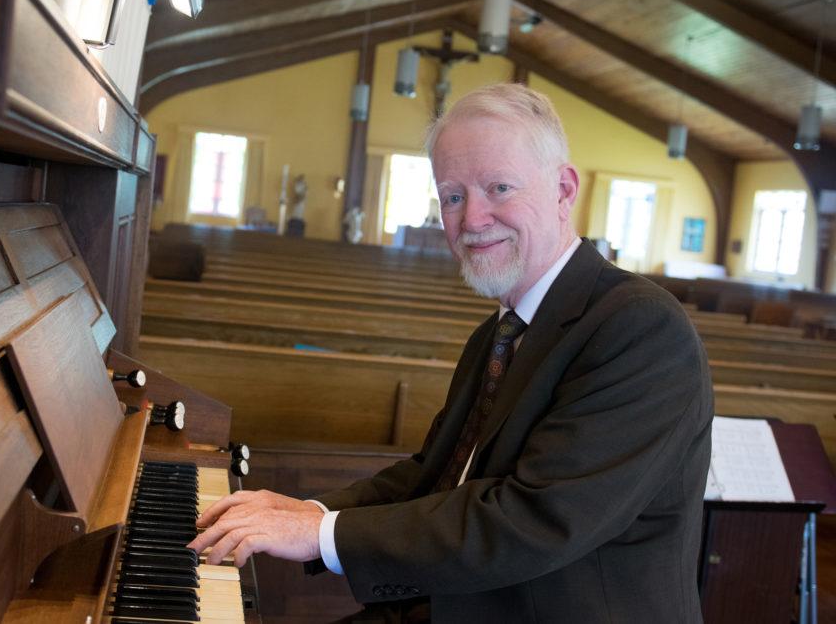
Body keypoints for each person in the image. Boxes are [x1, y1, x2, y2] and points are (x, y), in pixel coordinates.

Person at [189, 83, 713, 623]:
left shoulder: (640, 328)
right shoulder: (503, 330)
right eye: (453, 196)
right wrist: (311, 510)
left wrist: (317, 534)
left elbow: (533, 520)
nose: (472, 219)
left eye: (500, 188)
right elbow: (434, 474)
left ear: (563, 189)